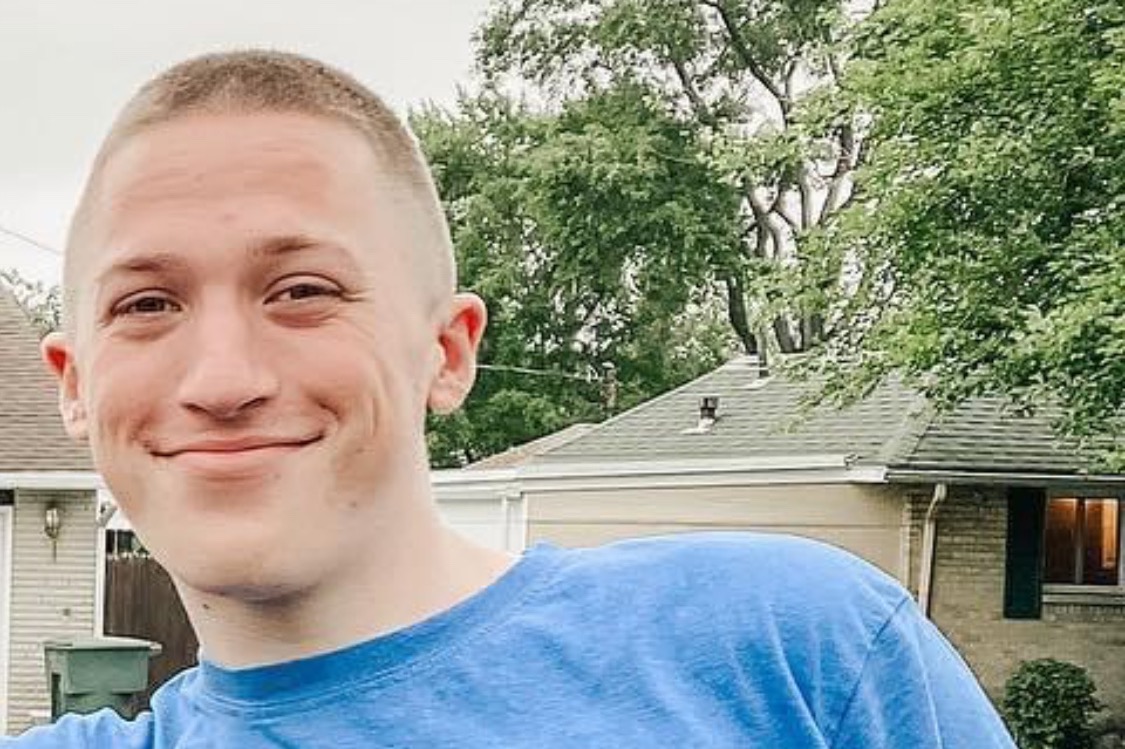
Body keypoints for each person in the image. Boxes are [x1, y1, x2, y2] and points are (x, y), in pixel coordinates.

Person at [8, 50, 1015, 747]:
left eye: (303, 290)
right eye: (147, 303)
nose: (224, 379)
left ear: (447, 352)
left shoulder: (788, 652)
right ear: (76, 385)